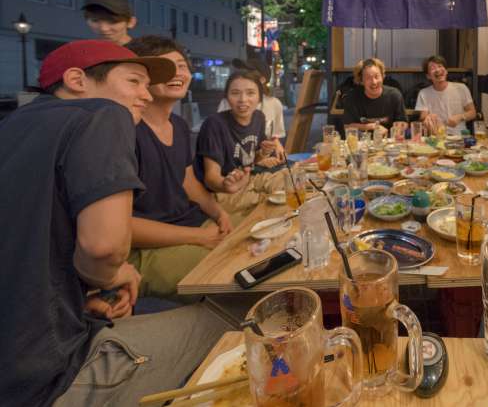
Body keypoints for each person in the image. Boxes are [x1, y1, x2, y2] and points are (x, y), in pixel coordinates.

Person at [0, 40, 230, 406]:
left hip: (24, 360)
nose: (145, 95)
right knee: (236, 317)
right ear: (77, 80)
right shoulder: (103, 115)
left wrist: (80, 300)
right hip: (52, 380)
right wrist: (112, 275)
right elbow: (104, 247)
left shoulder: (14, 125)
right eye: (134, 81)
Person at [125, 36, 234, 300]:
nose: (177, 73)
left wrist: (219, 213)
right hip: (145, 250)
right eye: (166, 67)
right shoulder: (125, 132)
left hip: (188, 224)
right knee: (234, 274)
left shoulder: (179, 125)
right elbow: (118, 227)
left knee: (260, 239)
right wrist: (198, 236)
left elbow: (189, 182)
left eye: (181, 66)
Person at [195, 70, 283, 214]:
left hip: (249, 179)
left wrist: (263, 153)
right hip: (221, 192)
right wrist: (226, 184)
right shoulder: (214, 124)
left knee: (291, 182)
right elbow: (211, 177)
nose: (243, 99)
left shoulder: (259, 117)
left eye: (250, 93)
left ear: (260, 98)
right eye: (235, 93)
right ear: (226, 97)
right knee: (270, 204)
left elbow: (251, 160)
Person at [217, 57, 286, 160]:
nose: (243, 74)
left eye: (248, 72)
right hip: (232, 161)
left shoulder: (274, 104)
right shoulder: (228, 102)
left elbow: (275, 135)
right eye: (241, 70)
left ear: (262, 80)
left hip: (263, 159)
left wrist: (275, 142)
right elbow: (218, 136)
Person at [342, 57, 407, 135]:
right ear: (361, 80)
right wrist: (371, 126)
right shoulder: (352, 97)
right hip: (362, 141)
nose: (374, 82)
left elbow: (403, 123)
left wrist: (395, 131)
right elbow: (347, 126)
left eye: (377, 76)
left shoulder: (394, 95)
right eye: (368, 78)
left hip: (389, 140)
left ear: (382, 76)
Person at [415, 55, 476, 136]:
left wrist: (460, 117)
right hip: (436, 136)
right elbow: (423, 117)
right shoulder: (423, 93)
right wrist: (427, 119)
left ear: (446, 71)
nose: (437, 70)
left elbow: (472, 113)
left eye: (440, 66)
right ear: (428, 76)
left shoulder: (461, 88)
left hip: (459, 136)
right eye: (433, 68)